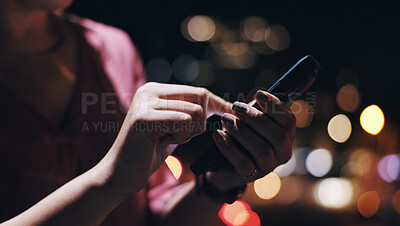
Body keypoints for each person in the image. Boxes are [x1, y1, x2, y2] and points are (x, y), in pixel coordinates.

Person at [0, 0, 296, 225]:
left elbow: (155, 215)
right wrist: (108, 181)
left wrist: (223, 178)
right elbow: (120, 184)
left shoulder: (114, 51)